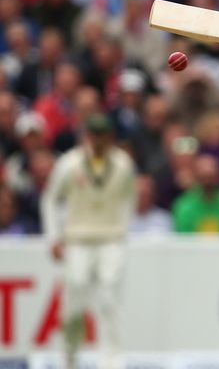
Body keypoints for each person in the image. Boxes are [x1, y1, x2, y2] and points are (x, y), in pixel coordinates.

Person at [41, 113, 137, 369]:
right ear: (86, 135)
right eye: (93, 134)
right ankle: (70, 359)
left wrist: (123, 231)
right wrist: (54, 237)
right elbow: (51, 198)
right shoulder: (70, 163)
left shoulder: (122, 164)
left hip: (110, 239)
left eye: (102, 134)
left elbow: (129, 199)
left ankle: (112, 362)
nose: (98, 139)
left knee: (110, 300)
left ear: (110, 136)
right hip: (78, 240)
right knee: (74, 303)